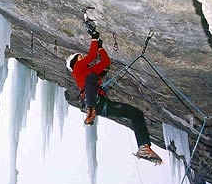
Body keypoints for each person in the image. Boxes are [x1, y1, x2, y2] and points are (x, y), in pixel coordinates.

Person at [66, 19, 163, 164]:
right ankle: (90, 108)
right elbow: (91, 56)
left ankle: (144, 147)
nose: (82, 57)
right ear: (75, 61)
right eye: (79, 57)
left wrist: (100, 47)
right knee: (92, 78)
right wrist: (94, 36)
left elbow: (105, 63)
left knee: (136, 114)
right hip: (91, 99)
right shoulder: (78, 68)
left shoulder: (89, 71)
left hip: (102, 105)